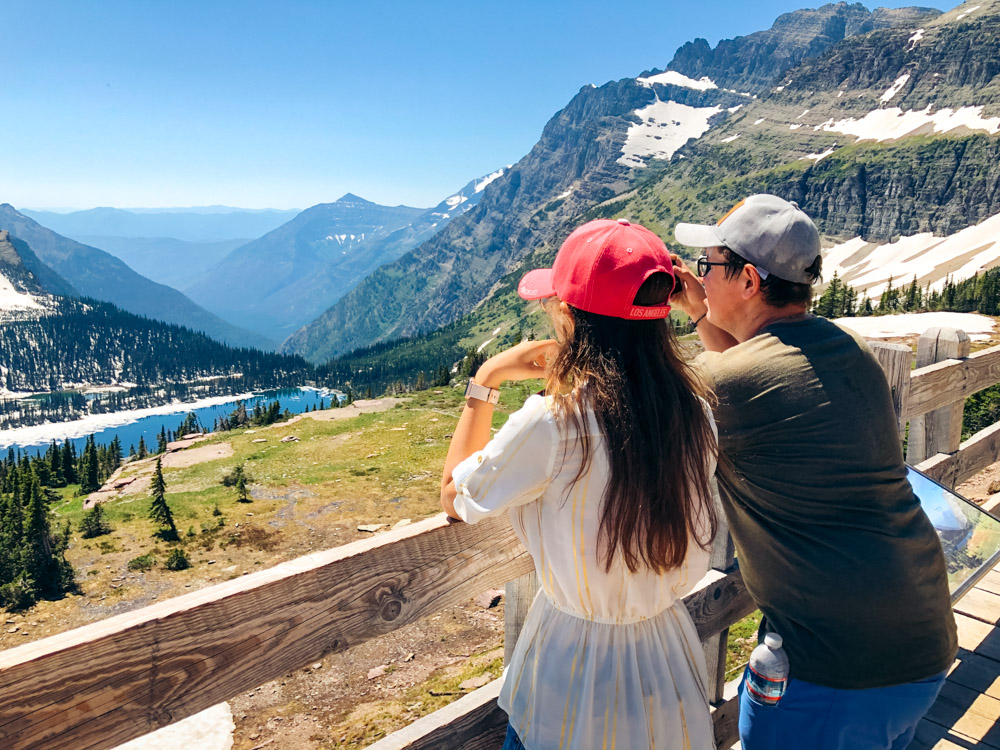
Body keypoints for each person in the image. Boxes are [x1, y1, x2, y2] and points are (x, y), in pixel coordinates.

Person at [669, 194, 958, 750]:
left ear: (749, 279)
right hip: (918, 640)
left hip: (836, 666)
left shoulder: (729, 383)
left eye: (707, 267)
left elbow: (711, 390)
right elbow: (753, 367)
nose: (699, 279)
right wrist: (703, 312)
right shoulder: (843, 348)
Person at [440, 218, 719, 750]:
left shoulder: (552, 423)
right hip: (666, 656)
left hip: (568, 668)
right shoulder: (695, 415)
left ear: (568, 316)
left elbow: (456, 496)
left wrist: (488, 379)